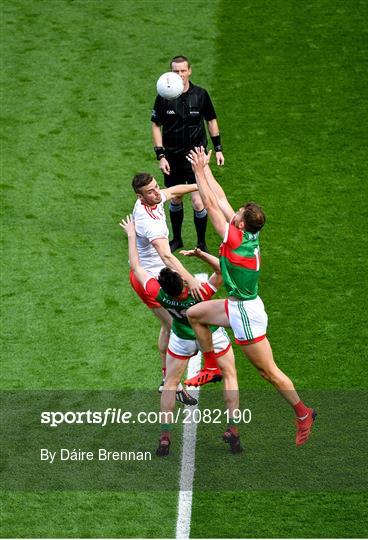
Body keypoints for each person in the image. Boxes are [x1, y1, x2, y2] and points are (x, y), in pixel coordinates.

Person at [184, 147, 317, 446]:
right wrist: (205, 169)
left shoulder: (234, 237)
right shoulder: (248, 233)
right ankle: (210, 367)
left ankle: (302, 413)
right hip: (238, 305)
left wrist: (196, 172)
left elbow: (210, 204)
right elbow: (219, 198)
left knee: (268, 372)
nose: (234, 214)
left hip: (245, 312)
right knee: (195, 315)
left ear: (241, 224)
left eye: (238, 215)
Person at [120, 215, 241, 456]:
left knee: (170, 384)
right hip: (211, 335)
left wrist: (132, 235)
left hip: (182, 339)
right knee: (230, 375)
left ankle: (165, 437)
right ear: (184, 283)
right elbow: (222, 271)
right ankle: (233, 429)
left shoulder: (159, 294)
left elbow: (136, 266)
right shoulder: (199, 292)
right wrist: (201, 256)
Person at [124, 172, 206, 405]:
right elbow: (166, 255)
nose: (156, 192)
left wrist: (197, 185)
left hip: (159, 273)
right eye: (150, 191)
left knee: (169, 326)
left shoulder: (154, 197)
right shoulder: (147, 222)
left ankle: (167, 379)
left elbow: (173, 191)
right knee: (177, 328)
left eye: (156, 186)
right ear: (140, 197)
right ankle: (171, 382)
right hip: (147, 280)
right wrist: (190, 279)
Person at [151, 55, 225, 253]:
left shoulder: (200, 95)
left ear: (189, 71)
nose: (180, 74)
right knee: (175, 198)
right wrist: (161, 155)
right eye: (176, 71)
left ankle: (201, 243)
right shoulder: (164, 97)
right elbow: (156, 125)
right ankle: (177, 239)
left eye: (183, 71)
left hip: (195, 157)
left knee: (198, 200)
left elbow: (211, 120)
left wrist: (218, 149)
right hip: (172, 157)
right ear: (170, 73)